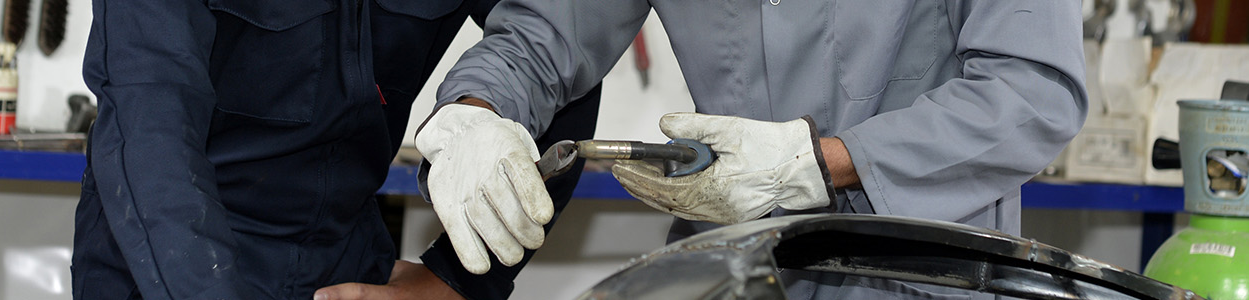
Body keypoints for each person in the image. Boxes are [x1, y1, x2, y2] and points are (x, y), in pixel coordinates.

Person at [412, 0, 1088, 299]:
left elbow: (1033, 90)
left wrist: (816, 164)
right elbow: (541, 36)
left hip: (925, 278)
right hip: (736, 275)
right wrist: (474, 115)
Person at [69, 0, 603, 298]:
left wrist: (456, 282)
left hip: (343, 265)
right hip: (163, 264)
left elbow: (555, 50)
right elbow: (151, 123)